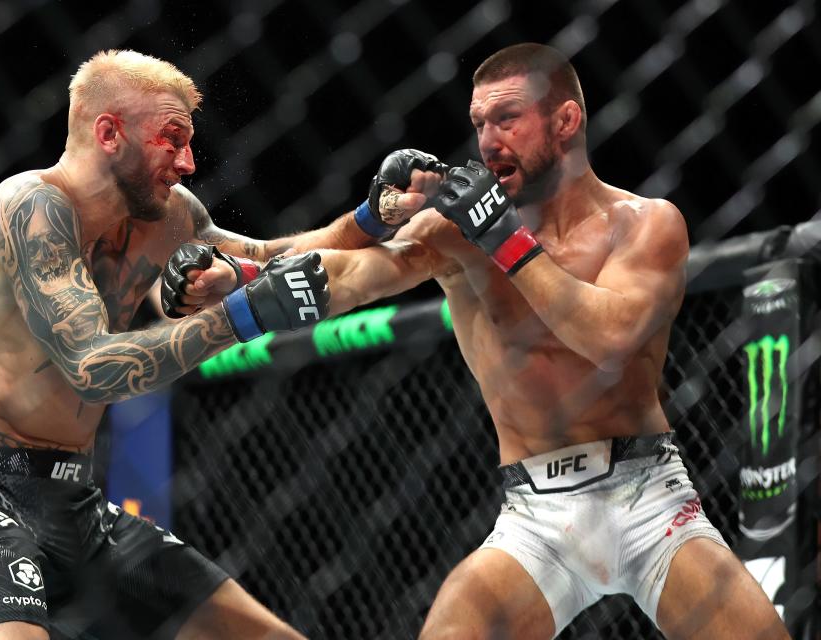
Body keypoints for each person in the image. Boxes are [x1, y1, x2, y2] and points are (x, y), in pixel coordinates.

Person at [167, 43, 790, 639]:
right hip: (535, 517)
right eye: (480, 123)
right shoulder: (457, 231)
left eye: (509, 119)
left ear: (566, 119)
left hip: (649, 497)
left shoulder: (646, 224)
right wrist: (241, 280)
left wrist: (507, 240)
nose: (490, 142)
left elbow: (613, 339)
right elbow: (353, 273)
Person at [0, 48, 443, 640]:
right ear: (109, 132)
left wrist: (371, 218)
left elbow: (273, 260)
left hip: (79, 503)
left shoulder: (169, 218)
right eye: (171, 139)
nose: (189, 162)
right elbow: (92, 368)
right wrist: (242, 317)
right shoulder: (31, 210)